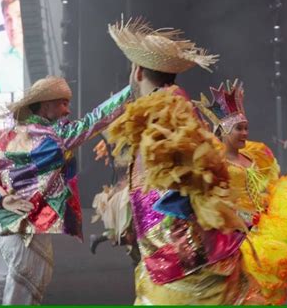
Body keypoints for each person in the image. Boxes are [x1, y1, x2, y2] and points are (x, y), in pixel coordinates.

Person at [104, 17, 264, 305]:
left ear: (138, 72)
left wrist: (184, 242)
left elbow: (184, 192)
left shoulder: (167, 113)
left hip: (184, 270)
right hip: (175, 263)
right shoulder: (172, 110)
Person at [0, 76, 133, 305]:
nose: (68, 110)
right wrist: (133, 88)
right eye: (63, 103)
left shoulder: (4, 138)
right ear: (45, 105)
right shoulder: (55, 137)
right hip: (25, 233)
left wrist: (0, 199)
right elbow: (97, 119)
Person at [194, 79, 287, 304]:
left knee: (264, 292)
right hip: (233, 237)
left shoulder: (253, 157)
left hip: (262, 229)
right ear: (223, 130)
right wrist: (241, 217)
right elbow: (210, 200)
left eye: (246, 128)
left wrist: (268, 204)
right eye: (238, 129)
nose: (244, 133)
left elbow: (262, 188)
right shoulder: (215, 161)